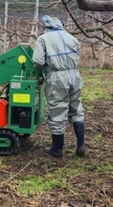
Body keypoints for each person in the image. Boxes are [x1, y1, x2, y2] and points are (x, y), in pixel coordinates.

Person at [32, 15, 85, 158]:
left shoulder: (43, 39)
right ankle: (81, 145)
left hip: (56, 76)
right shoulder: (72, 38)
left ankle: (57, 149)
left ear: (46, 26)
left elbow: (37, 61)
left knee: (57, 110)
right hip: (74, 74)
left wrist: (40, 72)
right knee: (76, 108)